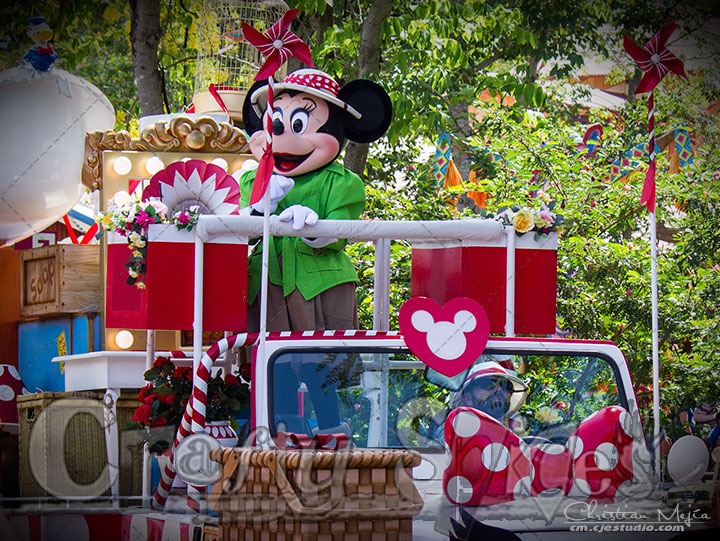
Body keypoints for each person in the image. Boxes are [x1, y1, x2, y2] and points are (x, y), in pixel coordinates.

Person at [237, 69, 392, 333]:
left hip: (320, 286)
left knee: (323, 362)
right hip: (264, 284)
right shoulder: (253, 179)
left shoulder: (341, 182)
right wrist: (257, 209)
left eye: (298, 124)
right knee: (262, 364)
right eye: (275, 120)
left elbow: (341, 232)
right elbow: (241, 236)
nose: (279, 134)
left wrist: (314, 229)